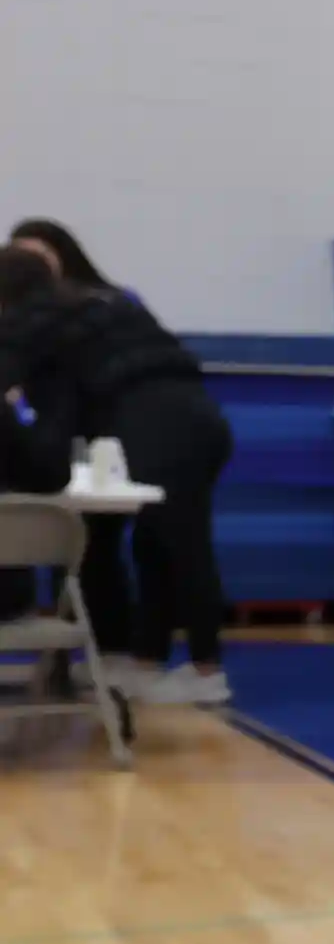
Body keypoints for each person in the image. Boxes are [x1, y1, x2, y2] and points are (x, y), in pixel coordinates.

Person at [0, 229, 235, 705]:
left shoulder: (34, 322)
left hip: (154, 422)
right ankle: (144, 662)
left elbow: (38, 407)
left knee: (179, 543)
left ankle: (207, 670)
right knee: (160, 542)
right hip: (198, 416)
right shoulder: (100, 305)